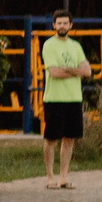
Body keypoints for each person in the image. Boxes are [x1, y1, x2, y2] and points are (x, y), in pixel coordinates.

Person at [40, 10, 92, 189]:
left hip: (73, 98)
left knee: (69, 138)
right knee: (51, 138)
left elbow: (87, 71)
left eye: (65, 23)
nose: (62, 26)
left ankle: (63, 176)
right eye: (59, 23)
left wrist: (68, 69)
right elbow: (54, 72)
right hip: (54, 99)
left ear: (71, 25)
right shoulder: (49, 45)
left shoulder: (76, 46)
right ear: (54, 25)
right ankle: (50, 177)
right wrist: (76, 71)